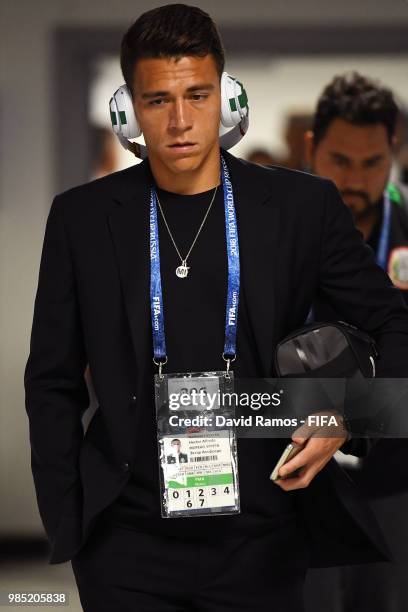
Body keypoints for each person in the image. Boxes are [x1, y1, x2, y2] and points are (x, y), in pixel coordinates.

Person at [24, 6, 408, 611]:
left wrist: (346, 418)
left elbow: (396, 322)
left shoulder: (299, 208)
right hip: (125, 544)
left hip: (263, 537)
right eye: (158, 100)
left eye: (198, 95)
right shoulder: (83, 218)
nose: (180, 120)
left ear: (227, 99)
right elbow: (51, 378)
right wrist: (69, 519)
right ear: (129, 109)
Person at [305, 71, 408, 612]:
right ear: (311, 149)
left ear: (394, 152)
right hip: (297, 476)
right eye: (340, 161)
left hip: (397, 476)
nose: (355, 179)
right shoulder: (275, 228)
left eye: (372, 163)